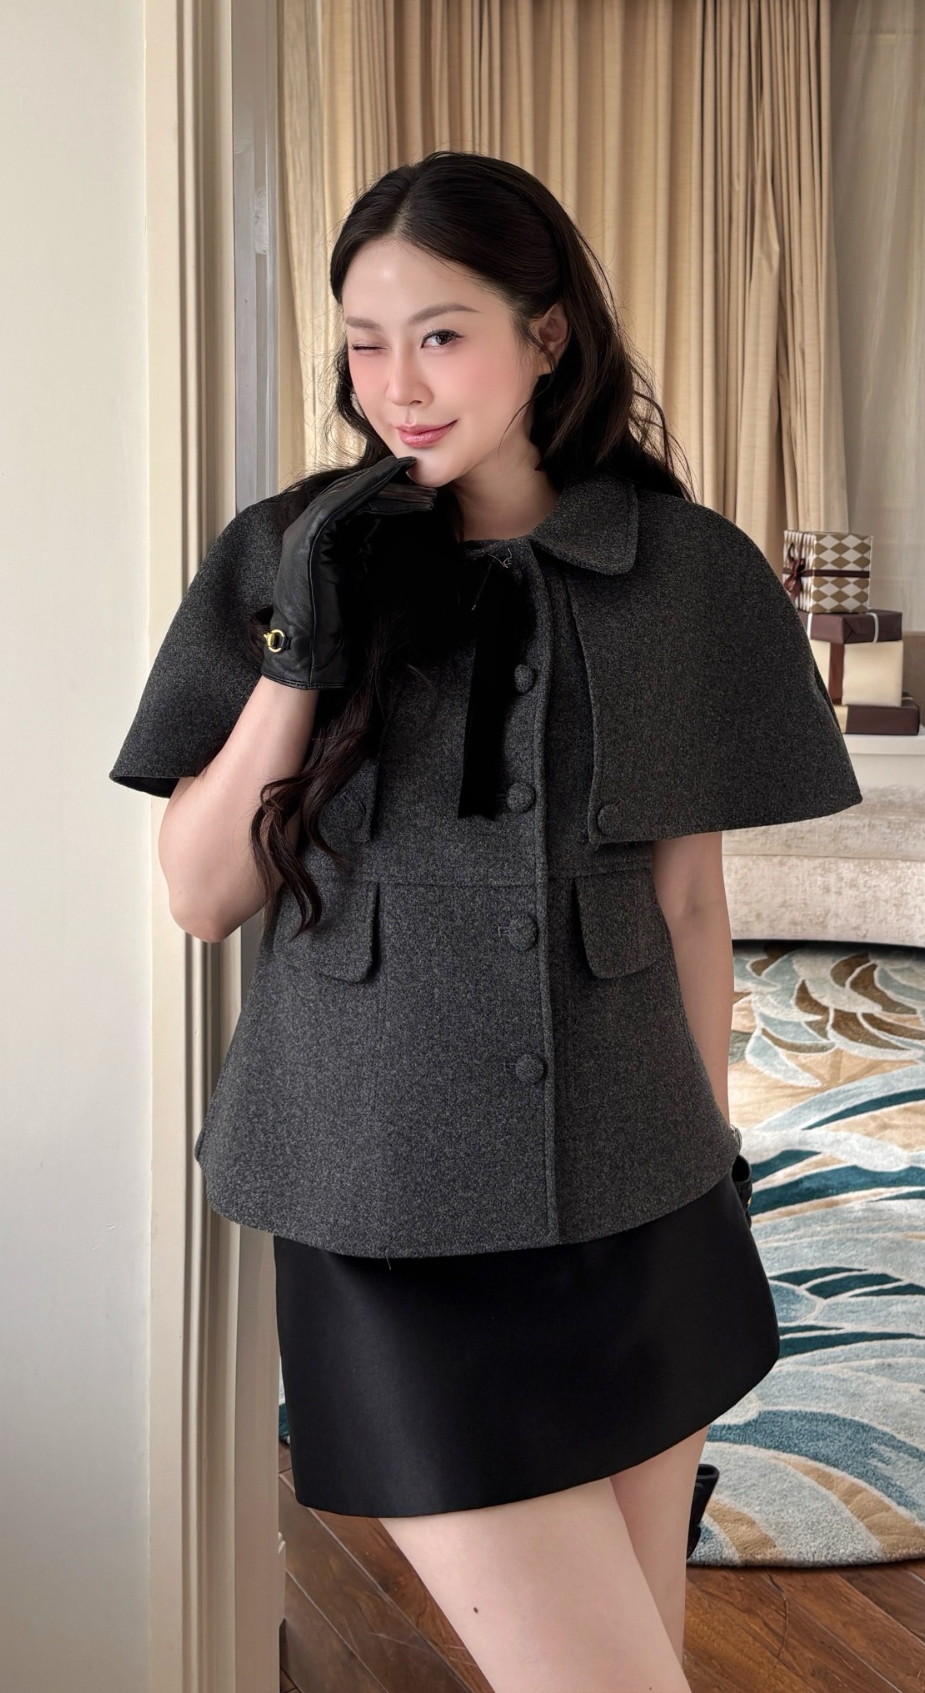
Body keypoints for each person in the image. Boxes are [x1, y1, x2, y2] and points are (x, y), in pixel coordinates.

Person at [110, 150, 863, 1692]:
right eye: (364, 341)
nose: (398, 384)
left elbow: (687, 899)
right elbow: (200, 892)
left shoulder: (679, 572)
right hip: (381, 1198)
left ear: (546, 334)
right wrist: (300, 653)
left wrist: (713, 1159)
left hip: (639, 1194)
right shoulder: (282, 552)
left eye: (441, 335)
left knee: (640, 1656)